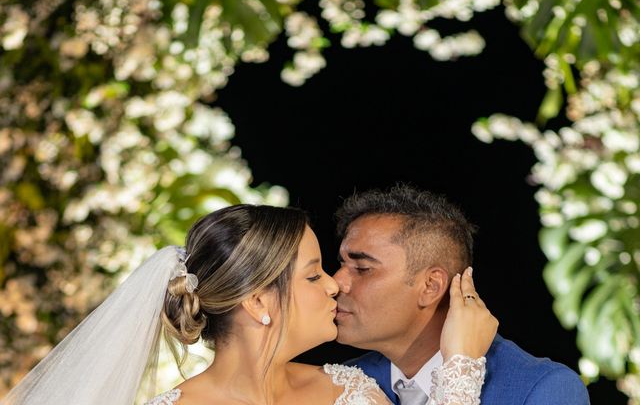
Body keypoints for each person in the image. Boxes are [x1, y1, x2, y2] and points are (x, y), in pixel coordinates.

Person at [2, 204, 496, 405]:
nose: (334, 287)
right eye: (312, 274)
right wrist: (463, 371)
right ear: (259, 299)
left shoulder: (348, 390)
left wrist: (457, 367)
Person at [333, 184, 590, 405]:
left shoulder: (542, 389)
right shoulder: (341, 382)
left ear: (431, 286)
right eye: (341, 265)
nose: (336, 282)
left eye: (362, 269)